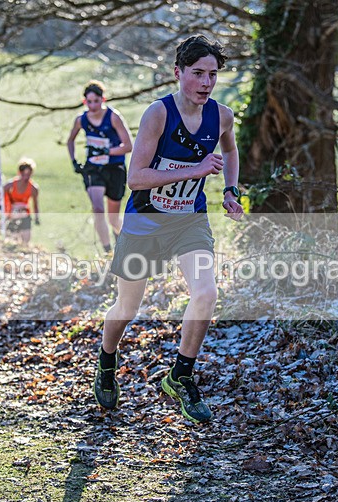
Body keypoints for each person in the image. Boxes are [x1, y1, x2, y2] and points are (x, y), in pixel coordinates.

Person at [92, 35, 243, 423]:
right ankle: (107, 360)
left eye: (212, 74)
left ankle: (181, 375)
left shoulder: (221, 116)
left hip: (189, 219)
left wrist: (229, 189)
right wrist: (194, 170)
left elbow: (229, 149)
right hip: (146, 221)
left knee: (206, 294)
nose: (206, 82)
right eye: (197, 74)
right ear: (178, 73)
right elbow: (136, 178)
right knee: (128, 308)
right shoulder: (158, 114)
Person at [66, 80, 133, 253]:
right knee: (97, 209)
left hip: (114, 168)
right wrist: (74, 161)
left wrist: (106, 151)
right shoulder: (81, 120)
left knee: (113, 218)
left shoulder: (113, 117)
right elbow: (70, 140)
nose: (93, 105)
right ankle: (107, 251)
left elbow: (128, 146)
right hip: (93, 169)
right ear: (84, 102)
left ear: (103, 100)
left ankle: (124, 242)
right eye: (90, 102)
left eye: (97, 101)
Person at [3, 158, 40, 245]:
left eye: (29, 174)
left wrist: (37, 217)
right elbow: (2, 196)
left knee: (26, 240)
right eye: (24, 174)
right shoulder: (10, 185)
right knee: (12, 240)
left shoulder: (33, 188)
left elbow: (35, 205)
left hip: (25, 214)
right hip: (12, 214)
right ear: (20, 173)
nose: (26, 177)